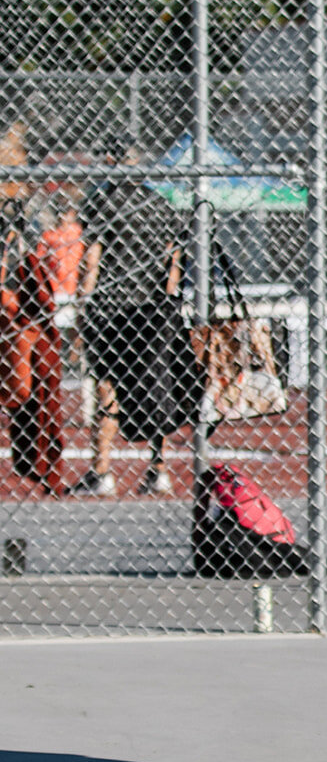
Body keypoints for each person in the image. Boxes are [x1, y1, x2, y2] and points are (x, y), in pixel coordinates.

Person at [66, 142, 191, 498]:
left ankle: (102, 471)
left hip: (109, 308)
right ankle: (158, 469)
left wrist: (81, 306)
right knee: (155, 385)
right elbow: (174, 259)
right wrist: (167, 300)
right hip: (149, 308)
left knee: (107, 387)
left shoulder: (103, 201)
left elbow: (92, 259)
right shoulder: (158, 204)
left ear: (110, 160)